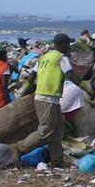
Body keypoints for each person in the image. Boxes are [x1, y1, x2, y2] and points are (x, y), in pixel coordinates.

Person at [11, 33, 80, 168]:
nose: (69, 48)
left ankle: (57, 161)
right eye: (68, 45)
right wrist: (87, 88)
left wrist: (23, 93)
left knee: (58, 130)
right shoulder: (61, 58)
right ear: (63, 45)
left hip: (45, 98)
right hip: (48, 98)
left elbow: (31, 78)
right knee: (45, 131)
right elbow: (70, 75)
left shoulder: (43, 58)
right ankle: (19, 148)